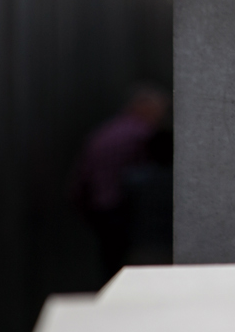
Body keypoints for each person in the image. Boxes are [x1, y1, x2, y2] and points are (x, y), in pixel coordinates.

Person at [70, 82, 170, 280]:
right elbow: (150, 181)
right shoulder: (142, 134)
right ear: (144, 107)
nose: (161, 115)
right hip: (123, 210)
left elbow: (81, 178)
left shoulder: (107, 130)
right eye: (160, 109)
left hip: (100, 208)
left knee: (110, 267)